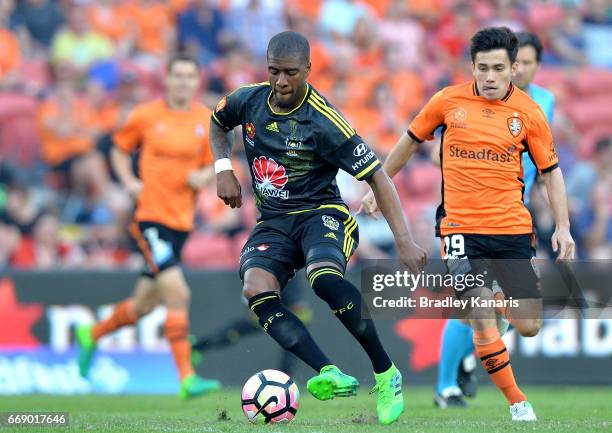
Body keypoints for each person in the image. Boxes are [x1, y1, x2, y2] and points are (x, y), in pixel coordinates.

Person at [209, 31, 426, 425]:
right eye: (274, 71)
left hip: (321, 214)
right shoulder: (249, 99)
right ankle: (328, 371)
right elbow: (218, 121)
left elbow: (378, 177)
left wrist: (405, 240)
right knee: (255, 287)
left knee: (323, 278)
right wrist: (223, 168)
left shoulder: (325, 122)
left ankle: (385, 373)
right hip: (273, 221)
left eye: (291, 73)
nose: (281, 82)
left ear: (308, 70)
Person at [361, 27, 575, 421]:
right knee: (477, 310)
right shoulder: (447, 101)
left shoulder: (529, 112)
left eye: (498, 68)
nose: (490, 77)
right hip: (460, 229)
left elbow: (551, 172)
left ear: (514, 68)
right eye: (482, 69)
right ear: (471, 67)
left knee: (528, 325)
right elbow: (409, 140)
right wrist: (380, 185)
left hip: (512, 229)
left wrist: (562, 226)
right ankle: (517, 401)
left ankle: (495, 303)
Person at [75, 54, 220, 400]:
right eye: (177, 75)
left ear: (197, 81)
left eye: (189, 76)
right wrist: (127, 181)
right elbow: (118, 149)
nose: (183, 82)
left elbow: (215, 162)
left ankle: (92, 333)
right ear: (167, 80)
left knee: (144, 305)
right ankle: (187, 378)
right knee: (178, 293)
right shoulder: (145, 116)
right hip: (149, 217)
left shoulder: (205, 120)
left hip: (181, 222)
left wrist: (205, 173)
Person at [432, 31, 557, 408]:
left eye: (532, 63)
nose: (525, 70)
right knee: (473, 303)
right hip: (470, 216)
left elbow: (542, 162)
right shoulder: (469, 103)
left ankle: (472, 357)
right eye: (486, 67)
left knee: (517, 318)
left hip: (514, 213)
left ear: (525, 66)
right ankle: (446, 386)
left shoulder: (542, 104)